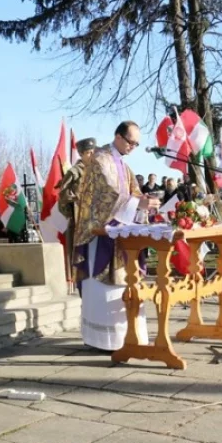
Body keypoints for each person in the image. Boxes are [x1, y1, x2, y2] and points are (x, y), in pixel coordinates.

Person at [73, 121, 157, 351]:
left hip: (122, 236)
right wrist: (135, 202)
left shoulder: (123, 164)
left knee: (124, 285)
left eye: (137, 144)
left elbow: (134, 192)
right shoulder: (100, 160)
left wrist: (145, 203)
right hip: (100, 235)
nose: (133, 147)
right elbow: (107, 196)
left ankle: (126, 337)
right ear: (117, 136)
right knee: (104, 291)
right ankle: (101, 341)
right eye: (130, 141)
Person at [57, 137, 98, 284]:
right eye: (88, 152)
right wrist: (78, 199)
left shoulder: (96, 170)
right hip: (78, 221)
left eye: (93, 152)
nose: (92, 155)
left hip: (95, 221)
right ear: (81, 154)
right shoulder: (75, 171)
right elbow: (63, 194)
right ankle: (80, 284)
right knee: (79, 258)